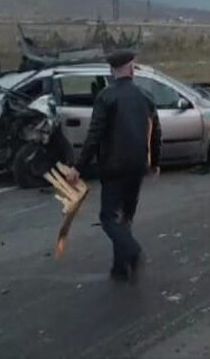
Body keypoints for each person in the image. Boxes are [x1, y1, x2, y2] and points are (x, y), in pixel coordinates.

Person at [68, 49, 161, 282]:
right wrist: (154, 163)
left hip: (113, 167)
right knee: (125, 218)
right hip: (137, 166)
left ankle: (132, 251)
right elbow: (155, 134)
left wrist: (79, 167)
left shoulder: (105, 97)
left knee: (108, 217)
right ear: (131, 69)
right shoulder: (145, 97)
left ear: (111, 71)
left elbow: (95, 135)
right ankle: (120, 269)